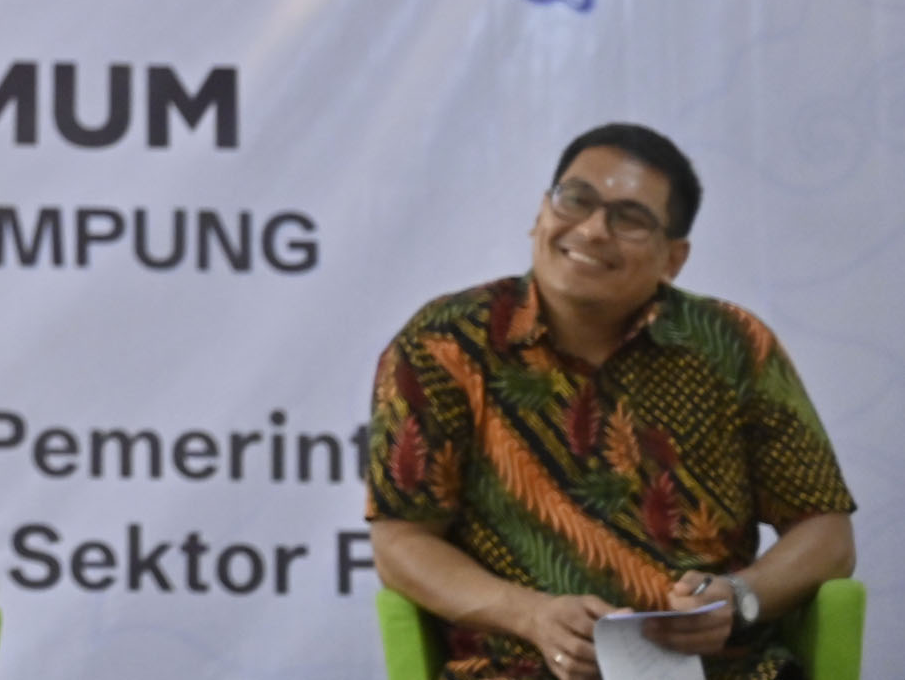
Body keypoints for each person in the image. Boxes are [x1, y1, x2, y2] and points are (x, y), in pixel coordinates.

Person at [365, 123, 855, 680]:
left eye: (630, 219)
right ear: (540, 214)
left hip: (716, 669)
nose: (594, 230)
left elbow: (826, 534)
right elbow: (401, 540)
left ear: (674, 258)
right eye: (576, 200)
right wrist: (532, 615)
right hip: (517, 666)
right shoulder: (445, 343)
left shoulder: (733, 345)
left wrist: (739, 598)